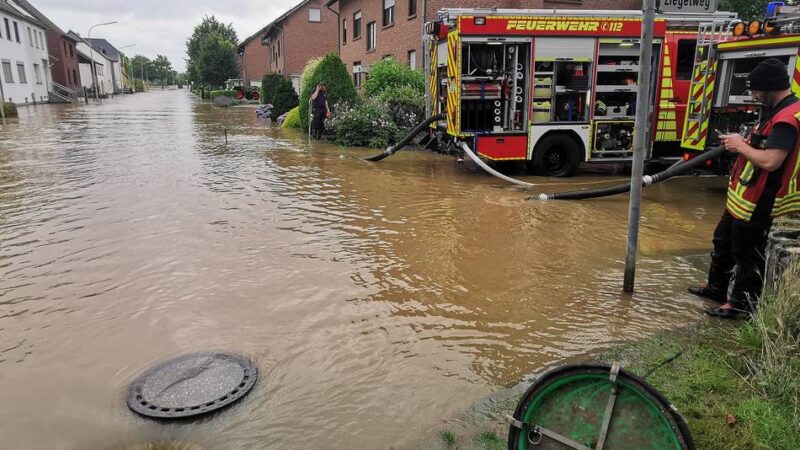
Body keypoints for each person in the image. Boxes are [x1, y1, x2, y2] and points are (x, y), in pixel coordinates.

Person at [689, 58, 800, 319]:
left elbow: (771, 162)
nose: (754, 96)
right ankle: (716, 288)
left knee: (747, 255)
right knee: (723, 241)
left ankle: (740, 305)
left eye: (756, 90)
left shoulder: (786, 119)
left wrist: (740, 145)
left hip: (761, 200)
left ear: (770, 88)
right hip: (743, 198)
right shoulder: (778, 110)